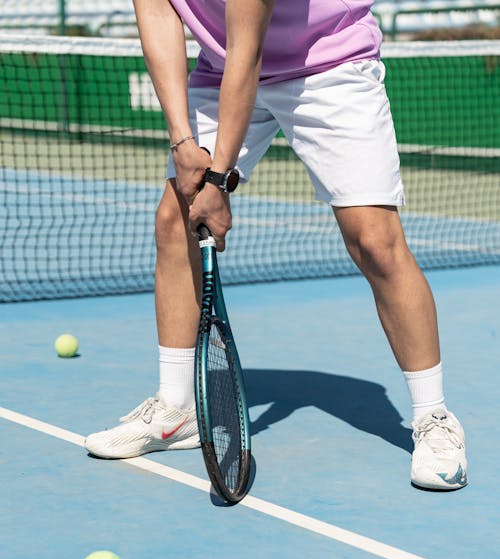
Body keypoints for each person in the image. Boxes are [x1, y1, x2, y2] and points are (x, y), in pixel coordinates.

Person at [85, 0, 467, 491]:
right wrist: (183, 145)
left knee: (374, 241)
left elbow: (250, 47)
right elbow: (159, 16)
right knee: (173, 219)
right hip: (221, 67)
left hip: (327, 66)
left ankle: (434, 419)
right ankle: (177, 407)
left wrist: (218, 180)